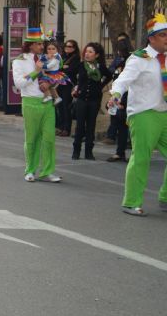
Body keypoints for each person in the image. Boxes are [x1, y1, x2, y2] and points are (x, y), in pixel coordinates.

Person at [108, 14, 167, 216]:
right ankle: (131, 202)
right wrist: (116, 94)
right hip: (143, 114)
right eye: (163, 35)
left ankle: (165, 197)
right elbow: (123, 79)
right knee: (141, 158)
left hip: (164, 113)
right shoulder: (139, 58)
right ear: (151, 38)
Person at [12, 28, 61, 182]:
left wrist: (51, 83)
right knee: (31, 138)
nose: (42, 46)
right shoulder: (19, 60)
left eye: (42, 43)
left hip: (47, 103)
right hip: (30, 102)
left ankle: (47, 171)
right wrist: (36, 72)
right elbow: (19, 83)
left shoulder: (48, 58)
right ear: (30, 45)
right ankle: (30, 170)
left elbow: (57, 75)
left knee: (49, 138)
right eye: (39, 44)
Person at [71, 42, 112, 160]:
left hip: (94, 100)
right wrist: (76, 87)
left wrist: (100, 85)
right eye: (86, 52)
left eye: (90, 52)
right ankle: (76, 150)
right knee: (79, 126)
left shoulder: (100, 67)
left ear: (97, 55)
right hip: (81, 99)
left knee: (91, 125)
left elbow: (109, 76)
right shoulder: (81, 65)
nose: (87, 54)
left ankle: (89, 151)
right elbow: (70, 75)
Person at [106, 34, 133, 162]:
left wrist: (124, 102)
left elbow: (128, 83)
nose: (118, 53)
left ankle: (121, 151)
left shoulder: (131, 61)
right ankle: (119, 151)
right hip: (117, 94)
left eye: (120, 50)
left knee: (123, 126)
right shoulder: (119, 60)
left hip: (126, 97)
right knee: (118, 124)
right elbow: (112, 71)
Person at [56, 39, 81, 137]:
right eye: (66, 46)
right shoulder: (62, 57)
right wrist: (63, 68)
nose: (67, 48)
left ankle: (67, 129)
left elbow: (71, 70)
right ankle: (61, 127)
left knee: (66, 107)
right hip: (60, 84)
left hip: (68, 84)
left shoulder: (76, 58)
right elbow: (57, 69)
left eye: (70, 46)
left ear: (74, 48)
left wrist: (64, 68)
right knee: (60, 106)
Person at [37, 41, 69, 105]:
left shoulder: (56, 57)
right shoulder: (48, 55)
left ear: (57, 49)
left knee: (43, 85)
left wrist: (42, 66)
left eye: (53, 49)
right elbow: (41, 59)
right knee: (51, 87)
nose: (51, 50)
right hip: (49, 74)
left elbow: (51, 65)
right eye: (49, 49)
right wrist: (45, 58)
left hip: (53, 74)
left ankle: (48, 96)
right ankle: (57, 97)